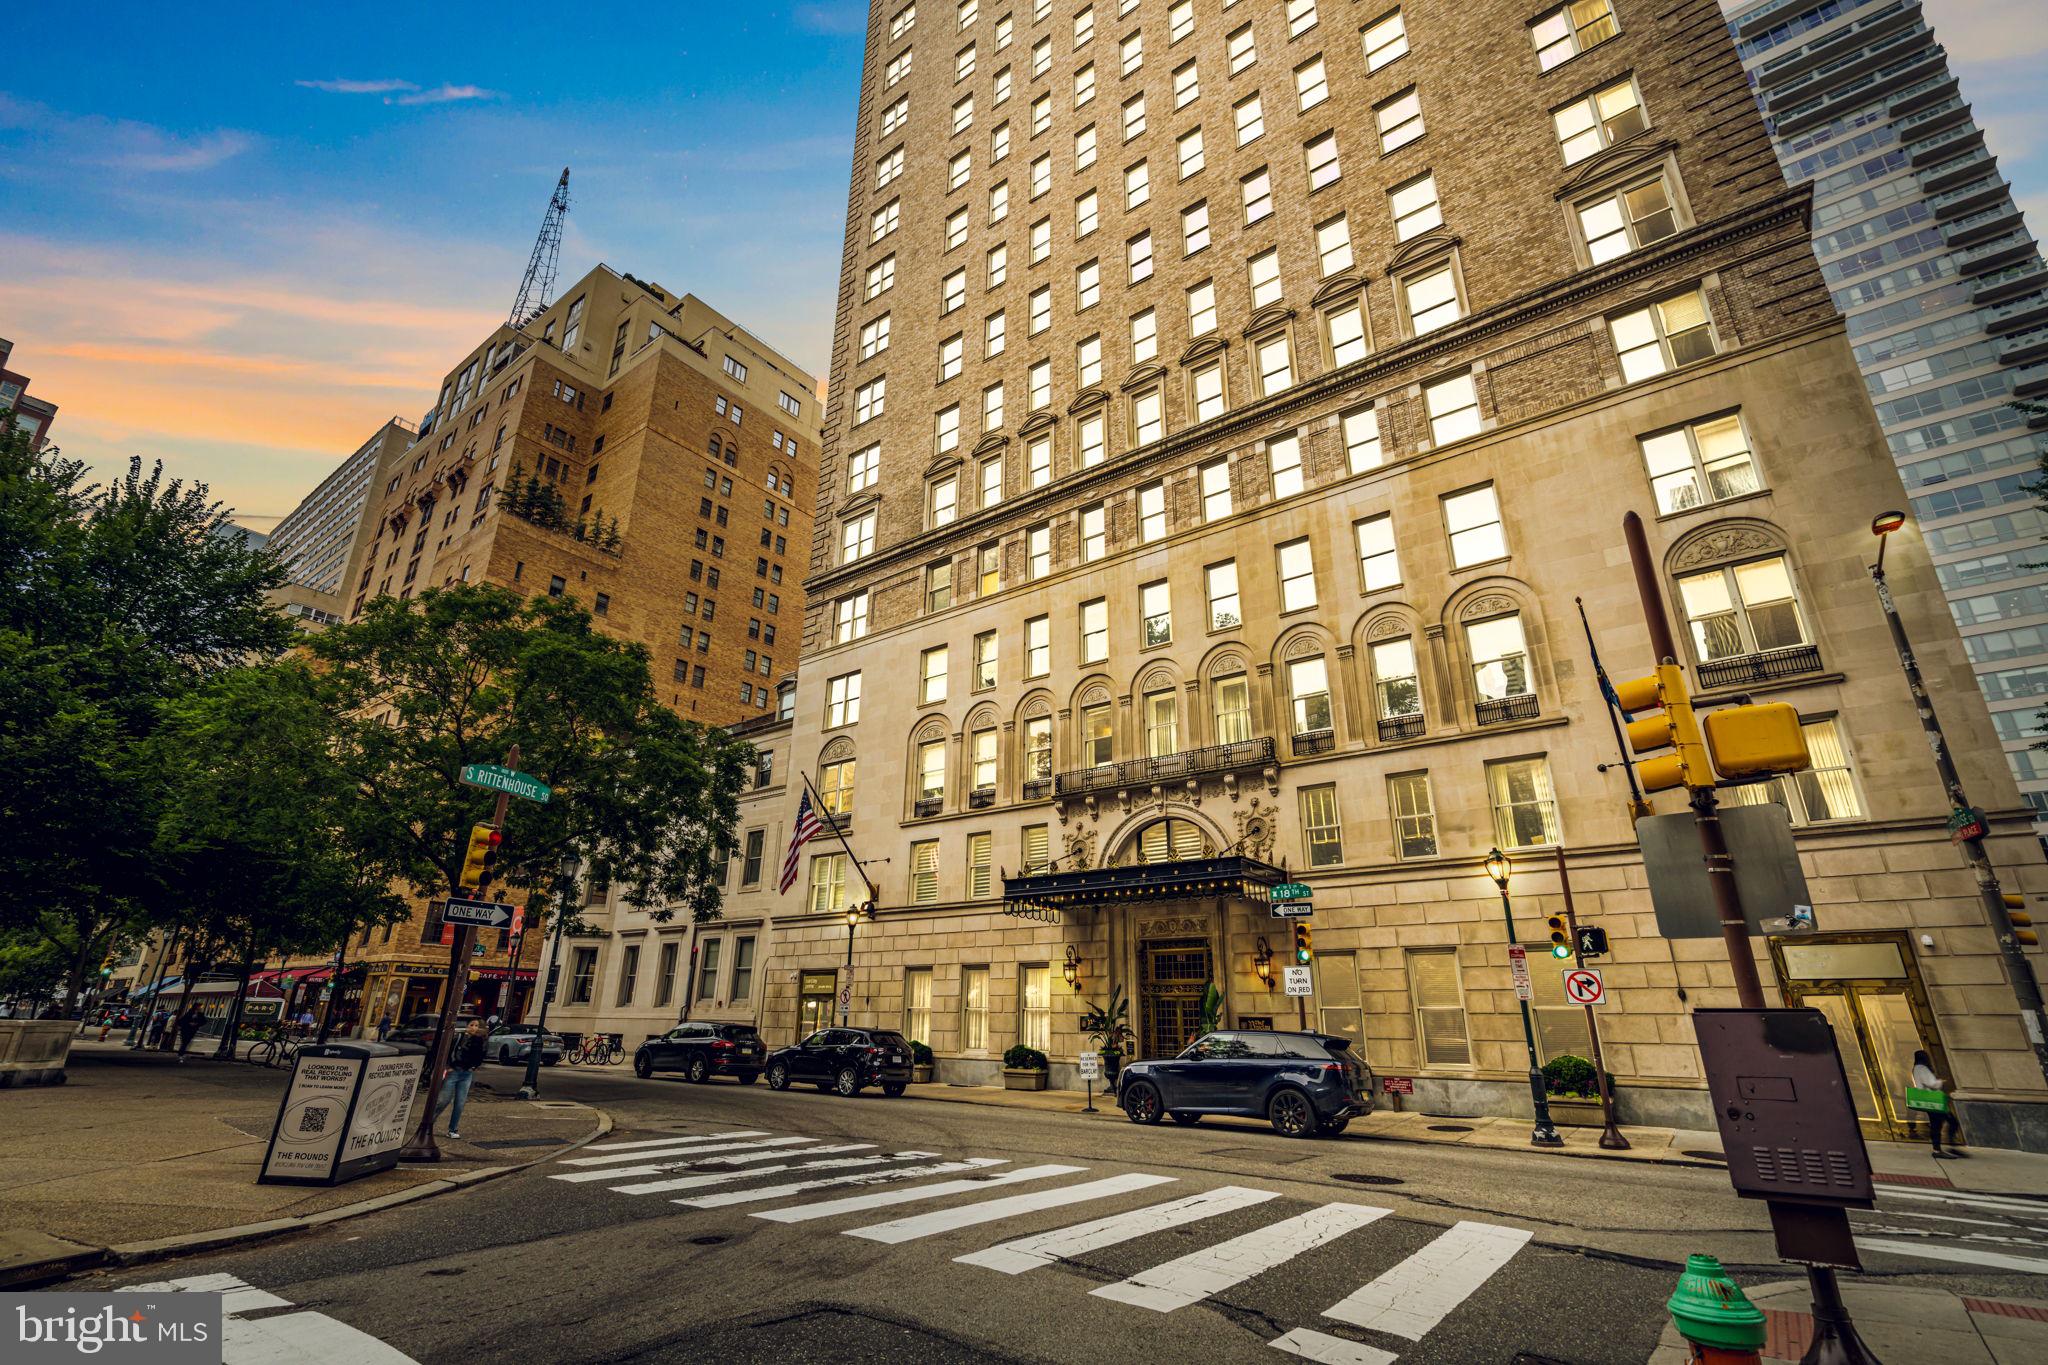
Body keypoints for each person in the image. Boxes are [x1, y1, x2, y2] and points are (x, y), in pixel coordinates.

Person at [434, 1019, 489, 1140]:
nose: (473, 1027)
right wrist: (449, 1066)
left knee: (460, 1103)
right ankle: (429, 1123)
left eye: (476, 1026)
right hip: (454, 1071)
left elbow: (480, 1056)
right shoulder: (460, 1037)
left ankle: (452, 1129)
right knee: (443, 1100)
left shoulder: (481, 1041)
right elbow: (450, 1051)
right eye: (471, 1025)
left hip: (466, 1074)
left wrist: (474, 1066)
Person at [1910, 1049, 1963, 1157]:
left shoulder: (1916, 1068)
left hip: (1929, 1101)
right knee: (1949, 1122)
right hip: (1934, 1100)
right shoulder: (1922, 1068)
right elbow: (1932, 1084)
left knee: (1937, 1124)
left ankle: (1940, 1149)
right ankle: (1944, 1148)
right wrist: (1941, 1082)